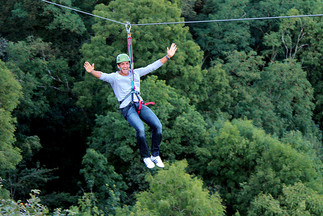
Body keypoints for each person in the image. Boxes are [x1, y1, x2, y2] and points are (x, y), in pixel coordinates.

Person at [84, 43, 177, 169]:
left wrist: (168, 56)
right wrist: (92, 72)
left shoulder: (136, 73)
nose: (125, 66)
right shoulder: (114, 77)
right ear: (118, 66)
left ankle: (155, 155)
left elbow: (152, 67)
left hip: (139, 104)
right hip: (127, 108)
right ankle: (146, 157)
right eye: (122, 64)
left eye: (127, 63)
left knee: (158, 126)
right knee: (141, 129)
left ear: (130, 64)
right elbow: (102, 75)